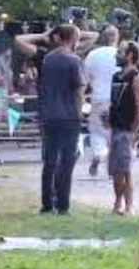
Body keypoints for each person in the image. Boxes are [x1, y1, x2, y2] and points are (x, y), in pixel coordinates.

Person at [16, 25, 88, 215]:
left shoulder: (46, 58)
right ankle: (63, 206)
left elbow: (18, 40)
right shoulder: (75, 60)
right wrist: (79, 113)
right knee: (67, 162)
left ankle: (47, 204)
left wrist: (45, 36)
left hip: (48, 115)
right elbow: (79, 90)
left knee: (49, 162)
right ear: (73, 40)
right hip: (69, 116)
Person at [107, 42, 139, 216]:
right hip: (115, 127)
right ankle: (117, 202)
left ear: (130, 55)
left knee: (126, 169)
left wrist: (134, 132)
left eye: (120, 52)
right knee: (115, 169)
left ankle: (129, 205)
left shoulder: (137, 78)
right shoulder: (116, 77)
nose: (116, 55)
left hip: (128, 129)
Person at [82, 25, 120, 177]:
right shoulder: (120, 54)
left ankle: (99, 153)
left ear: (103, 37)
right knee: (115, 132)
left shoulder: (93, 54)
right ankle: (113, 166)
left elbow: (85, 77)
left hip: (98, 97)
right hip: (118, 98)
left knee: (97, 130)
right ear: (117, 37)